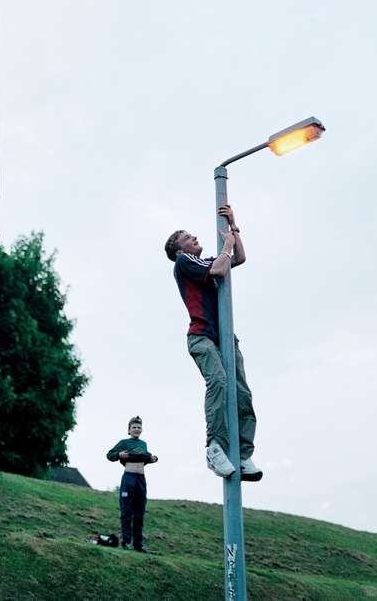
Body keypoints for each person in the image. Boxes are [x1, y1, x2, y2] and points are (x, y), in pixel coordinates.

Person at [164, 204, 262, 482]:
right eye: (187, 237)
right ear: (179, 249)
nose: (194, 237)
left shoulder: (206, 260)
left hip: (226, 339)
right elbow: (220, 269)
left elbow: (238, 258)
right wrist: (227, 244)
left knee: (242, 394)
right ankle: (215, 447)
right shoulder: (185, 263)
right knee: (218, 381)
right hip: (202, 336)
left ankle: (243, 455)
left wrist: (234, 227)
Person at [106, 416, 158, 552]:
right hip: (128, 478)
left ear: (142, 430)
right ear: (129, 430)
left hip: (141, 479)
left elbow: (145, 458)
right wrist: (119, 455)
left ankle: (138, 544)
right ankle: (126, 541)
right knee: (127, 511)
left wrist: (152, 459)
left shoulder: (143, 444)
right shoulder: (124, 442)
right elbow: (109, 455)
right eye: (134, 427)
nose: (136, 429)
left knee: (139, 512)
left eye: (139, 427)